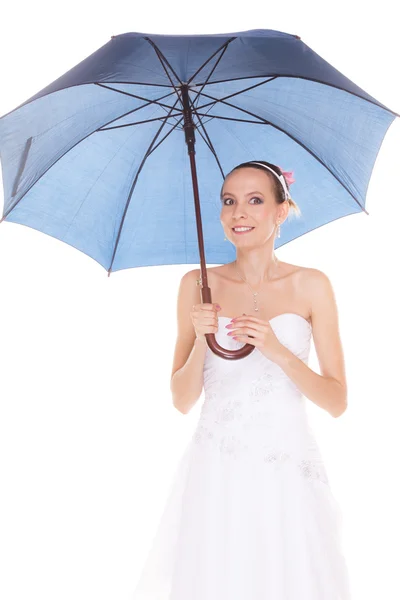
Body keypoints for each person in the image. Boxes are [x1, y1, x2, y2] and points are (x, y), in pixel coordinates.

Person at [132, 161, 351, 599]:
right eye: (229, 201)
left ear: (280, 211)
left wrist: (276, 350)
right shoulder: (197, 284)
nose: (239, 214)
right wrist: (199, 336)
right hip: (217, 469)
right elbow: (181, 399)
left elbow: (336, 400)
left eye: (254, 201)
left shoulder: (311, 285)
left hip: (286, 467)